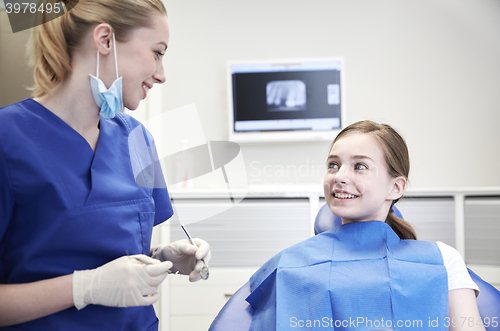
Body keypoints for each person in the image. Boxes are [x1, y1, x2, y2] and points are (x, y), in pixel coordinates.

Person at [0, 0, 210, 329]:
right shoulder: (7, 139)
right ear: (105, 40)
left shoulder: (138, 139)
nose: (161, 74)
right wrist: (85, 288)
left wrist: (160, 259)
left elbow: (110, 253)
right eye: (157, 52)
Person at [244, 121, 485, 330]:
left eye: (360, 166)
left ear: (396, 188)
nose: (339, 176)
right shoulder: (290, 265)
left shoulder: (441, 260)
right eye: (333, 165)